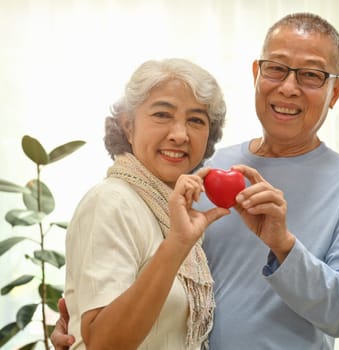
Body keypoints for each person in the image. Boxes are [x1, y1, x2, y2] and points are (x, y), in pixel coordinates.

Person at [52, 12, 339, 350]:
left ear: (335, 90)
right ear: (257, 73)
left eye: (311, 75)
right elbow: (132, 266)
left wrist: (284, 246)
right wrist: (80, 324)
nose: (288, 87)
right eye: (276, 68)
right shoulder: (201, 171)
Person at [61, 58, 229, 349]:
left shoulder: (180, 209)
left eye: (196, 120)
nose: (180, 134)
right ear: (128, 126)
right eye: (162, 114)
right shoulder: (111, 201)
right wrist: (176, 244)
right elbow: (104, 343)